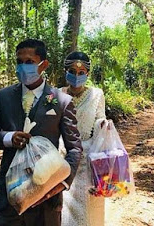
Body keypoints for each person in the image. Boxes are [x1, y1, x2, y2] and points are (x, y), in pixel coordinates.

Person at [0, 39, 83, 226]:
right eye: (19, 62)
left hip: (48, 197)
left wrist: (62, 182)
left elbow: (75, 148)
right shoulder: (3, 97)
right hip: (11, 195)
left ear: (43, 65)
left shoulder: (61, 101)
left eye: (29, 62)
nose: (22, 67)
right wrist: (9, 138)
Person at [59, 51, 107, 226]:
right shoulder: (56, 95)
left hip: (89, 160)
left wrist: (103, 125)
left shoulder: (97, 94)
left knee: (90, 209)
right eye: (72, 71)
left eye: (81, 73)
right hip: (63, 160)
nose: (76, 76)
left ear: (87, 74)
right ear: (65, 72)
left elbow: (100, 119)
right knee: (64, 209)